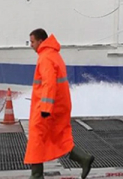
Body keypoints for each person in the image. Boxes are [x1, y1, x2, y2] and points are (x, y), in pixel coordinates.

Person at [24, 28, 94, 179]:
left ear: (41, 41)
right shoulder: (54, 54)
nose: (31, 45)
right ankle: (83, 158)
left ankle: (36, 176)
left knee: (36, 138)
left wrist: (45, 109)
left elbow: (49, 84)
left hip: (47, 108)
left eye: (32, 41)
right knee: (59, 137)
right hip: (60, 105)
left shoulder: (45, 58)